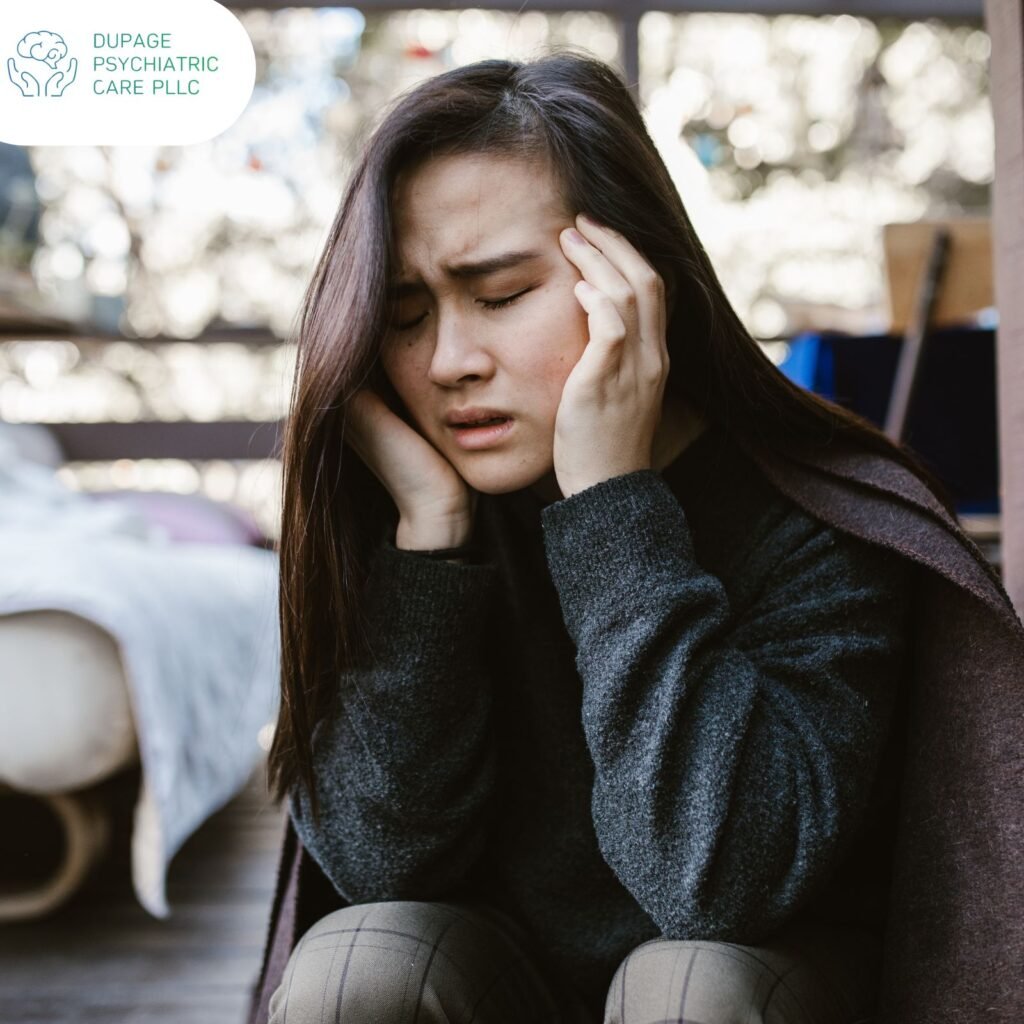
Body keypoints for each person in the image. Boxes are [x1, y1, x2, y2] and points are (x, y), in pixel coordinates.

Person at [256, 52, 1018, 1024]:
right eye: (404, 314)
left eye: (498, 297)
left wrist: (613, 504)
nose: (448, 360)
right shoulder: (403, 510)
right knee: (358, 961)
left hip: (759, 991)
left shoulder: (818, 522)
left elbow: (714, 885)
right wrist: (429, 542)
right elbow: (377, 862)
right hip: (506, 983)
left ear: (633, 283)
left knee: (687, 983)